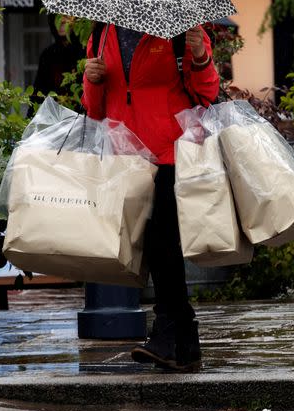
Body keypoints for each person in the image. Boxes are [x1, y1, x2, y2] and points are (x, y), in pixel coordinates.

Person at [82, 23, 218, 371]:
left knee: (163, 242)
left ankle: (165, 333)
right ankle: (186, 344)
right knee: (155, 247)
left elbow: (207, 93)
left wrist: (200, 57)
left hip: (171, 152)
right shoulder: (101, 34)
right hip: (125, 156)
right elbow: (94, 110)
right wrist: (92, 79)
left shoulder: (181, 29)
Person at [30, 15, 85, 111]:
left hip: (82, 117)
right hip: (55, 118)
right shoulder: (48, 55)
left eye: (67, 16)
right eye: (57, 17)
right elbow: (39, 93)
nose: (62, 21)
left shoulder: (85, 51)